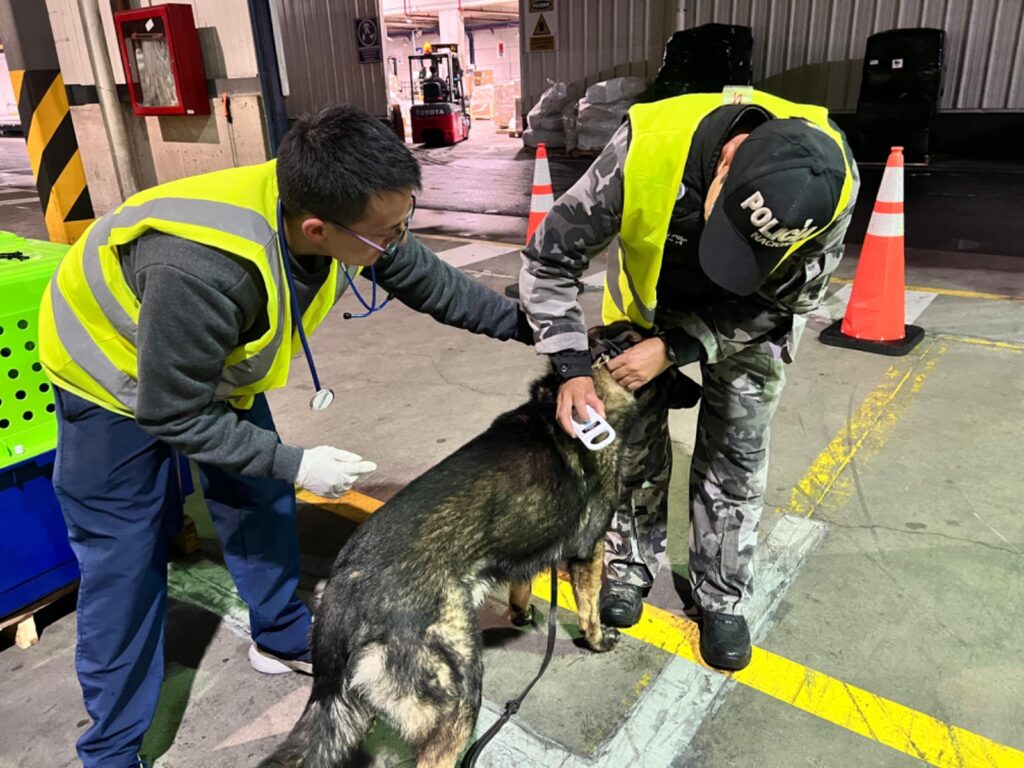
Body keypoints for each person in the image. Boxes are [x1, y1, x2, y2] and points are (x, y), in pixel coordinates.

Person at [38, 104, 532, 768]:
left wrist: (531, 326)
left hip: (205, 369)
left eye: (403, 221)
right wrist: (295, 462)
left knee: (259, 497)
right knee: (123, 561)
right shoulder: (205, 267)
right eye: (387, 233)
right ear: (318, 229)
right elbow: (173, 414)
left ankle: (278, 634)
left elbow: (424, 278)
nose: (398, 241)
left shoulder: (335, 207)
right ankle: (110, 751)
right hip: (107, 375)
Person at [518, 90, 859, 671]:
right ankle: (629, 565)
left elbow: (789, 302)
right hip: (651, 306)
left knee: (735, 454)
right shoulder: (642, 150)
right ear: (725, 164)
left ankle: (721, 595)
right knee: (630, 445)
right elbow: (549, 261)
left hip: (747, 320)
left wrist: (678, 349)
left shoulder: (832, 185)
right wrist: (572, 367)